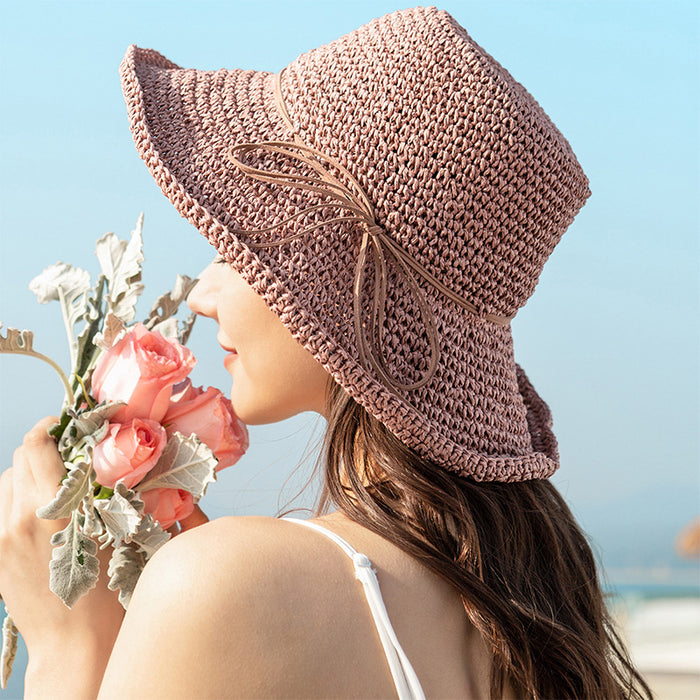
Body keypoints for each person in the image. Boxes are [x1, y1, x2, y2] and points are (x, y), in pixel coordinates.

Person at [0, 6, 653, 699]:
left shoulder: (221, 584)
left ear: (333, 282)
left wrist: (65, 648)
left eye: (233, 246)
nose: (201, 294)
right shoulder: (532, 600)